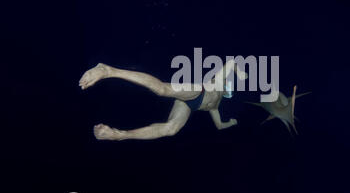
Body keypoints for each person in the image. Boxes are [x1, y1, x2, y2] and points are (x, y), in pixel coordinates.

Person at [79, 60, 247, 141]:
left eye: (229, 92)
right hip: (198, 91)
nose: (228, 89)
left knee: (171, 129)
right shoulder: (217, 82)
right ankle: (108, 71)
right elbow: (232, 62)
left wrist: (231, 123)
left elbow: (219, 125)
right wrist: (240, 73)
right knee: (162, 90)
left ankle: (120, 135)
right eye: (228, 86)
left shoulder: (215, 107)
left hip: (188, 106)